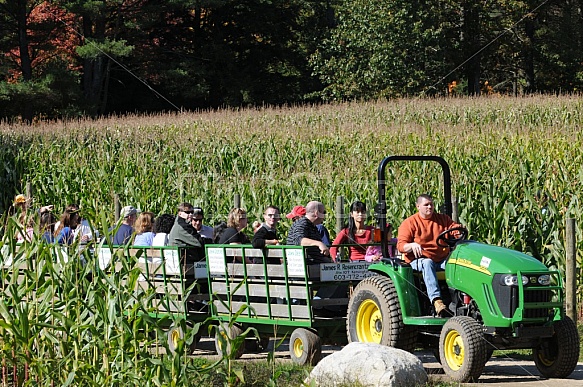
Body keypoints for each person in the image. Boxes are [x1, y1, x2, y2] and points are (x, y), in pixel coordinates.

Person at [397, 194, 462, 317]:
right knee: (428, 263)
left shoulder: (442, 219)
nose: (430, 207)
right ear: (418, 206)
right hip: (418, 260)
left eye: (431, 204)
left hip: (441, 259)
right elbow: (401, 246)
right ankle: (437, 301)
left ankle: (460, 299)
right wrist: (412, 245)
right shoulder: (410, 223)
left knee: (459, 262)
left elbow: (454, 228)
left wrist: (458, 232)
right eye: (426, 204)